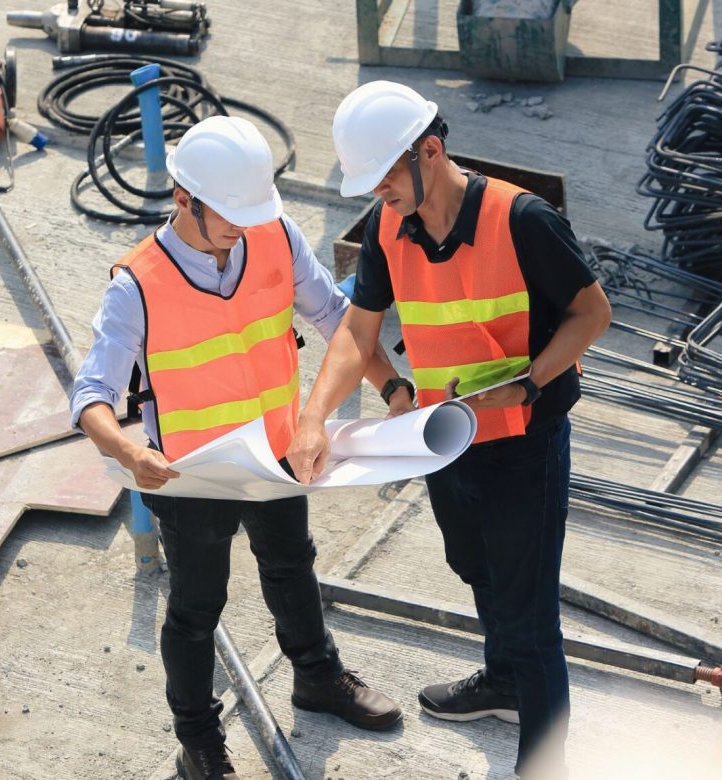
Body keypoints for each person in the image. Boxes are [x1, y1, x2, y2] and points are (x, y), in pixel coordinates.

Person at [286, 81, 611, 780]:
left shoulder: (524, 221)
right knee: (477, 570)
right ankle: (501, 684)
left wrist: (533, 380)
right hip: (445, 439)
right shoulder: (386, 228)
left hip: (525, 446)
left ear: (429, 152)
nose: (378, 196)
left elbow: (593, 314)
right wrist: (318, 414)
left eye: (384, 180)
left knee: (530, 622)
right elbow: (355, 334)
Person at [70, 115, 402, 780]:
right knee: (196, 610)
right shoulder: (137, 283)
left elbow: (337, 320)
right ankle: (198, 741)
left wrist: (393, 384)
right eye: (229, 212)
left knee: (291, 565)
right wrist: (131, 454)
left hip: (278, 453)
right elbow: (91, 394)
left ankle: (317, 677)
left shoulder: (274, 234)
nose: (241, 226)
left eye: (251, 211)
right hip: (192, 476)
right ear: (183, 198)